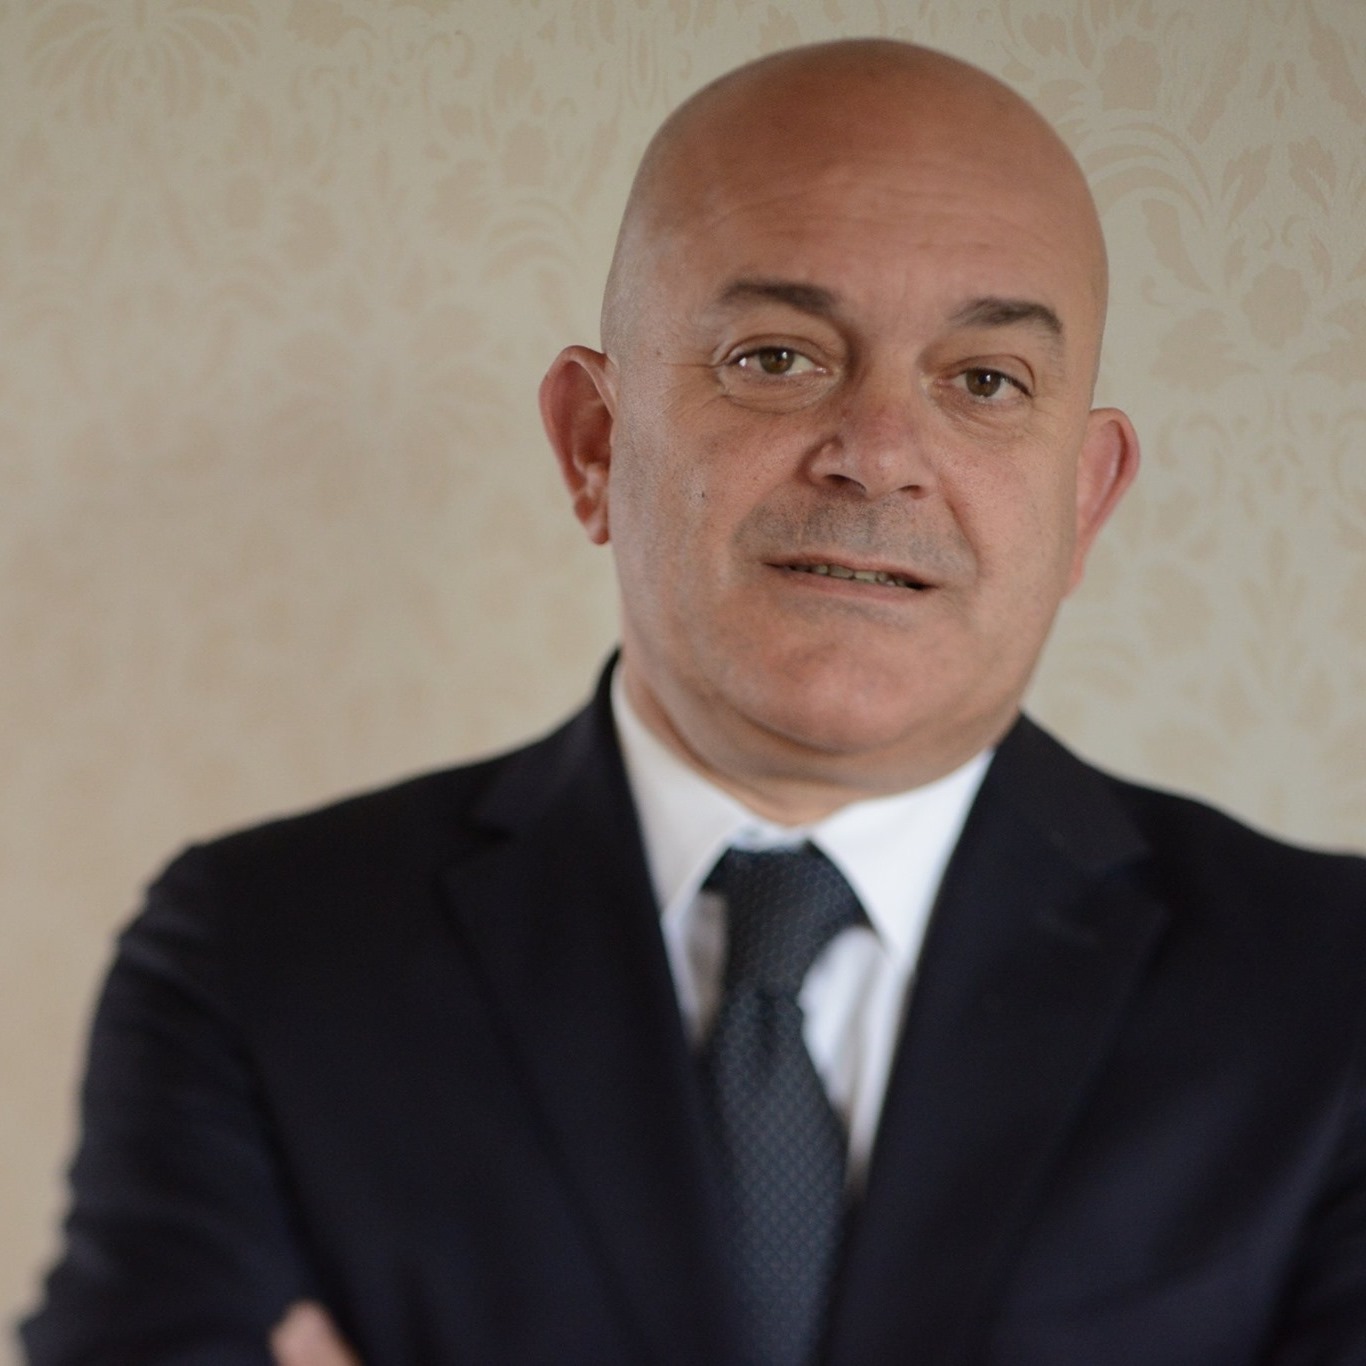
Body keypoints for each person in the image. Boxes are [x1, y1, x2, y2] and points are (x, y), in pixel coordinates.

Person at [21, 37, 1366, 1366]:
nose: (878, 454)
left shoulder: (1328, 987)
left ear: (1084, 498)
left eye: (984, 381)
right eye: (778, 357)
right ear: (594, 443)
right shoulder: (259, 954)